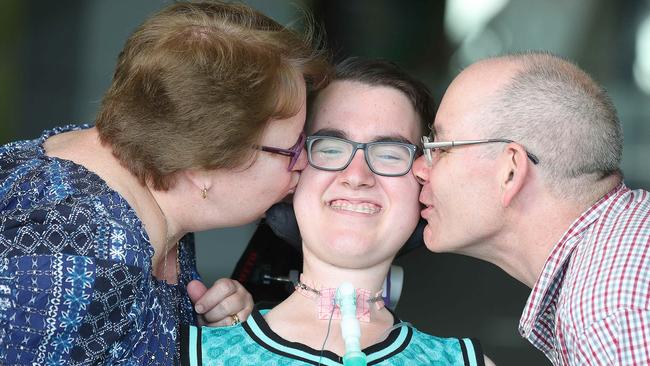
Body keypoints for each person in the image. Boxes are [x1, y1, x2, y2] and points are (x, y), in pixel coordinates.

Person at [0, 1, 329, 364]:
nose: (305, 162)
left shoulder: (149, 189)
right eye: (292, 147)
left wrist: (211, 341)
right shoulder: (83, 265)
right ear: (204, 163)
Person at [181, 57, 493, 365]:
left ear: (424, 182)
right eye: (330, 149)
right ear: (294, 174)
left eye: (389, 154)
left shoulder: (464, 362)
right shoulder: (194, 353)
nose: (357, 176)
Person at [413, 52, 650, 365]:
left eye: (440, 149)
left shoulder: (610, 316)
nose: (418, 168)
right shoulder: (619, 253)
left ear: (510, 171)